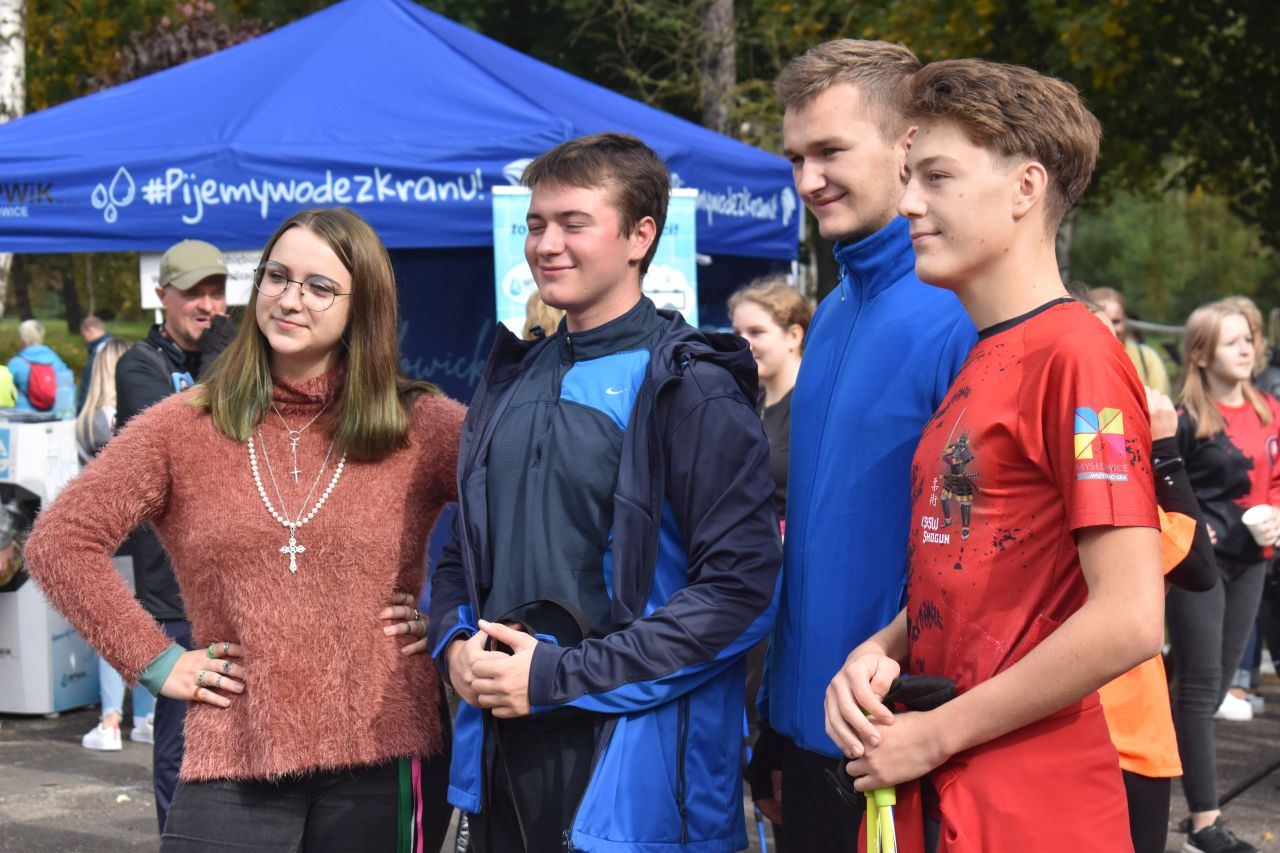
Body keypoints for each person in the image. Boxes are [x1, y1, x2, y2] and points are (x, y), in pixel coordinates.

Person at [25, 208, 462, 851]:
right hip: (232, 750)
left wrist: (452, 622)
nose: (290, 299)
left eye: (319, 287)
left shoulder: (419, 424)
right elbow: (60, 542)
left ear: (362, 307)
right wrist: (155, 661)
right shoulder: (182, 427)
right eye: (276, 276)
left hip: (386, 749)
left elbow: (521, 515)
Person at [826, 59, 1165, 851]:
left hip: (1032, 804)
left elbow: (1131, 617)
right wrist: (879, 649)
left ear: (1025, 188)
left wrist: (937, 734)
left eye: (938, 177)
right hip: (946, 788)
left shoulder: (1078, 356)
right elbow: (985, 569)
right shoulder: (984, 351)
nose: (908, 203)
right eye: (909, 177)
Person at [428, 132, 782, 853]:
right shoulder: (512, 377)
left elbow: (742, 592)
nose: (546, 244)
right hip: (502, 756)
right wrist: (455, 643)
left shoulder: (691, 386)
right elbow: (464, 547)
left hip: (637, 778)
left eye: (573, 223)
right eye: (535, 224)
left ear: (640, 236)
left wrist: (561, 675)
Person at [749, 39, 976, 852]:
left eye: (831, 151)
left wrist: (930, 722)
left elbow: (983, 560)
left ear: (906, 144)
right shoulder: (836, 308)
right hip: (809, 735)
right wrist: (776, 721)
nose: (809, 179)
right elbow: (813, 540)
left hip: (902, 738)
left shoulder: (960, 309)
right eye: (795, 157)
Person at [112, 238, 233, 831]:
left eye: (217, 292)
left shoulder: (234, 353)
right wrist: (225, 359)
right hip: (172, 587)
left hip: (234, 579)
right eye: (194, 294)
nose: (208, 306)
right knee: (180, 744)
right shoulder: (141, 365)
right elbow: (189, 444)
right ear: (162, 296)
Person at [1167, 299, 1277, 853]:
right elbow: (1162, 484)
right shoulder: (1184, 419)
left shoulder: (1270, 409)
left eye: (1248, 338)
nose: (1245, 348)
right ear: (1201, 354)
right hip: (1198, 569)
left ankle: (1142, 767)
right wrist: (1190, 527)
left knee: (1205, 689)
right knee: (1201, 685)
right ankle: (1203, 824)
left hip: (1254, 561)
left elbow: (1276, 479)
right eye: (1231, 341)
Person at [1096, 386, 1216, 853]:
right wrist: (1164, 449)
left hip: (1068, 720)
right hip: (1122, 726)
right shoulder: (1103, 470)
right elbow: (1199, 567)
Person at [74, 337, 156, 751]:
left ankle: (111, 721)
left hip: (111, 537)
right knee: (143, 626)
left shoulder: (89, 421)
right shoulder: (137, 413)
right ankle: (143, 717)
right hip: (143, 535)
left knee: (113, 630)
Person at [729, 276, 812, 522]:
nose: (743, 343)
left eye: (756, 332)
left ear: (794, 336)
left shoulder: (812, 404)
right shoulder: (746, 401)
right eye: (737, 333)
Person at [1088, 286, 1172, 395]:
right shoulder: (1079, 362)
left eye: (1116, 321)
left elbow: (1162, 399)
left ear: (1125, 320)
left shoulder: (1148, 358)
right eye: (1101, 322)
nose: (1111, 329)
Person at [8, 319, 71, 412]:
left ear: (23, 339)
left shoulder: (16, 363)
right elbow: (67, 386)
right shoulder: (56, 360)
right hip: (53, 414)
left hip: (23, 414)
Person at [77, 314, 112, 414]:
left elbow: (89, 382)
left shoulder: (99, 351)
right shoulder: (115, 347)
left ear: (89, 331)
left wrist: (81, 410)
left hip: (99, 407)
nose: (84, 339)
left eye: (83, 334)